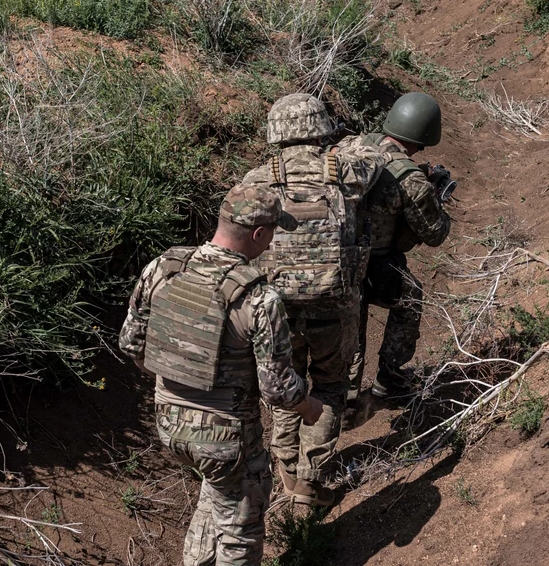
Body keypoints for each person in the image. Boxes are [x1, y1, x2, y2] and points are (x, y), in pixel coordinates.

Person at [119, 183, 325, 566]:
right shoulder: (259, 298)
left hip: (168, 423)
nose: (271, 242)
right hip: (226, 435)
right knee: (240, 531)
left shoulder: (164, 268)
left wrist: (179, 385)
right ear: (259, 234)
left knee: (216, 494)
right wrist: (308, 406)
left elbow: (132, 345)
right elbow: (277, 389)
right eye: (273, 233)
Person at [240, 93, 384, 507]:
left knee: (288, 388)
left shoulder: (256, 179)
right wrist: (350, 141)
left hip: (277, 310)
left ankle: (286, 468)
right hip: (335, 307)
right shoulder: (347, 169)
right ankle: (311, 477)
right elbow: (375, 153)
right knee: (333, 387)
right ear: (321, 126)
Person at [336, 91, 452, 409]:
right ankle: (389, 378)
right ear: (426, 135)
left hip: (328, 256)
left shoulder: (350, 145)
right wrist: (435, 195)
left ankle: (339, 396)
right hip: (370, 267)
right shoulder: (410, 178)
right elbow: (436, 233)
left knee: (348, 327)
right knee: (409, 297)